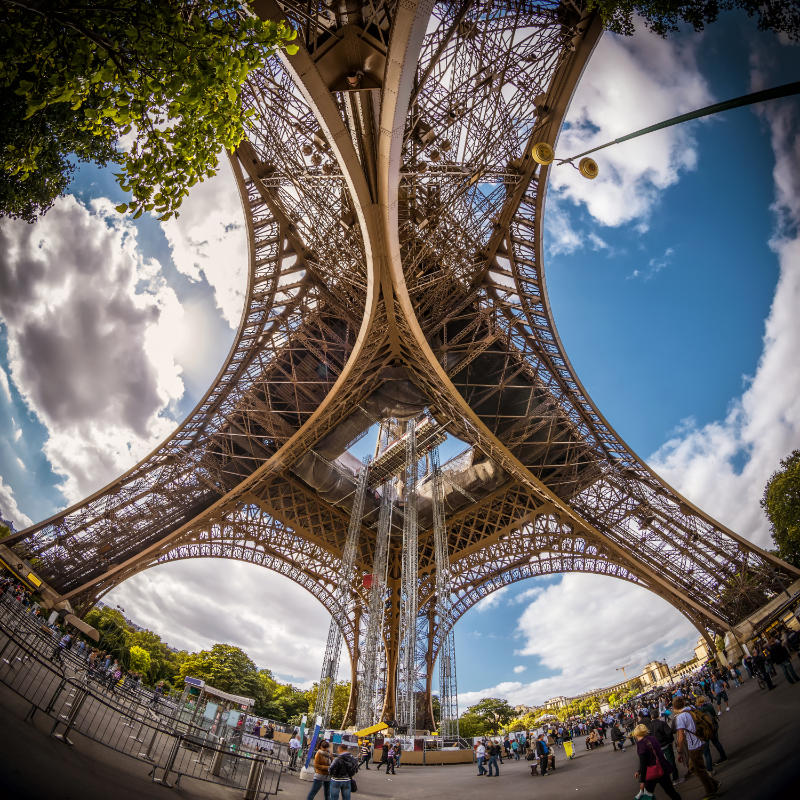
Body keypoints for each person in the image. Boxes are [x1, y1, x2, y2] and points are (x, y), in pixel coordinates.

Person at [673, 697, 720, 799]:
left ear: (675, 707)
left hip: (694, 745)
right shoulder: (691, 708)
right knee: (692, 767)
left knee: (700, 770)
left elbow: (680, 737)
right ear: (684, 703)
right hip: (701, 739)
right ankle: (713, 783)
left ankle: (711, 792)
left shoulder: (680, 717)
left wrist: (680, 752)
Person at [632, 723, 682, 800]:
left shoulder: (641, 744)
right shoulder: (653, 739)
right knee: (671, 791)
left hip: (651, 773)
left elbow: (643, 762)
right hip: (663, 768)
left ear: (636, 734)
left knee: (647, 795)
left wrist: (642, 781)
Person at [695, 695, 728, 773]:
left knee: (706, 751)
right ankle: (723, 756)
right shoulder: (709, 705)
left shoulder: (698, 711)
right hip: (713, 726)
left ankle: (710, 769)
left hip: (705, 731)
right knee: (716, 742)